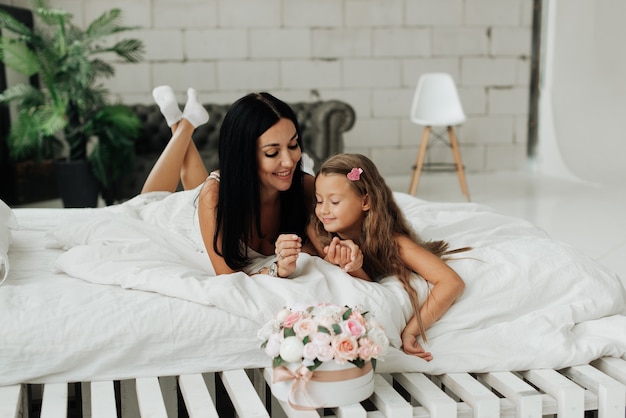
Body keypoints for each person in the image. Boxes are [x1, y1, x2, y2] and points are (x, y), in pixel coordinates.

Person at [142, 86, 360, 278]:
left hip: (219, 193)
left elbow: (333, 241)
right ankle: (183, 125)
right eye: (272, 152)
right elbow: (227, 277)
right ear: (245, 155)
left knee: (200, 187)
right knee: (149, 201)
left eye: (293, 145)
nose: (289, 161)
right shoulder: (213, 198)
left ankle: (183, 121)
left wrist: (347, 251)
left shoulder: (305, 187)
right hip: (183, 220)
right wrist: (277, 269)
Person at [307, 153, 467, 361]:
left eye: (334, 201)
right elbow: (358, 285)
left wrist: (411, 331)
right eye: (319, 201)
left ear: (365, 201)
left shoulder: (395, 243)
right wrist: (350, 265)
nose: (324, 210)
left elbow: (452, 282)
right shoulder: (318, 230)